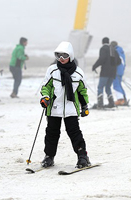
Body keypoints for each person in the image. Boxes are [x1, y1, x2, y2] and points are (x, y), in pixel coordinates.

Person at [40, 41, 91, 169]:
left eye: (64, 55)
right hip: (54, 108)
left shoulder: (78, 73)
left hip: (71, 108)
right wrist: (45, 98)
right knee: (52, 133)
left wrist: (84, 106)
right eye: (58, 56)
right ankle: (49, 156)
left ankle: (82, 156)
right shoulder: (52, 70)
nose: (61, 59)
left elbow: (82, 91)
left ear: (71, 56)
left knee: (74, 133)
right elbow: (45, 87)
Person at [92, 37, 116, 108]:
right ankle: (111, 103)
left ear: (102, 42)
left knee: (100, 87)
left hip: (105, 72)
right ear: (108, 42)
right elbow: (117, 61)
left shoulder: (103, 49)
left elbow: (102, 58)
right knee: (108, 87)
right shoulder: (112, 49)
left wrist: (94, 66)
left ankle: (100, 104)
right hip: (112, 72)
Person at [111, 41, 128, 106]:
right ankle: (124, 98)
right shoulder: (121, 51)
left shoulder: (116, 51)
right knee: (119, 84)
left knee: (116, 85)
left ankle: (120, 100)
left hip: (117, 70)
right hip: (121, 70)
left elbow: (116, 61)